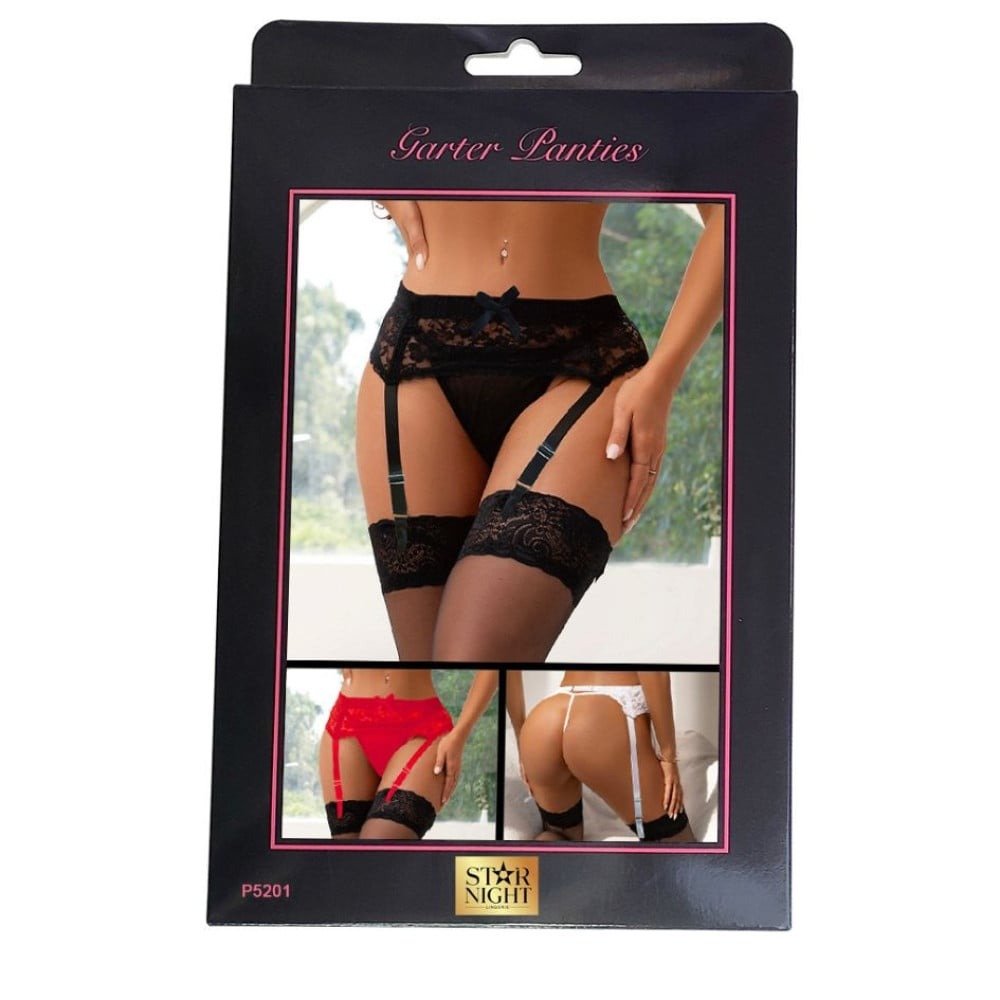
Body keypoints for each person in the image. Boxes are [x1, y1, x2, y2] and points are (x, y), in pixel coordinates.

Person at [358, 199, 724, 662]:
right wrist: (378, 183)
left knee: (473, 655)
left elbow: (736, 211)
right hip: (416, 361)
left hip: (585, 363)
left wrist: (662, 379)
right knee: (432, 676)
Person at [507, 669, 695, 843]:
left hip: (545, 718)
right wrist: (668, 757)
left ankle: (528, 866)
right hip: (604, 710)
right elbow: (654, 672)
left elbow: (509, 669)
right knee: (676, 844)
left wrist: (521, 741)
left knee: (559, 836)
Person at [319, 667, 497, 840]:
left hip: (423, 728)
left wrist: (459, 735)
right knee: (348, 854)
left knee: (379, 845)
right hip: (346, 725)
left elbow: (494, 658)